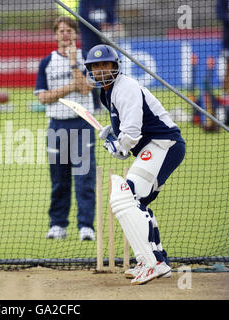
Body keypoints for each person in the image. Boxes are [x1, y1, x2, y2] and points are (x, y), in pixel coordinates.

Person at [84, 44, 186, 284]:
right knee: (138, 202)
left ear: (115, 66)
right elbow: (125, 136)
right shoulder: (107, 93)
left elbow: (131, 132)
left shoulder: (125, 86)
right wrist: (114, 137)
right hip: (154, 147)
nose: (100, 71)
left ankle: (153, 263)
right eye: (96, 66)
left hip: (163, 144)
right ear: (90, 70)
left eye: (105, 65)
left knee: (125, 197)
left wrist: (118, 144)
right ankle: (156, 260)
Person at [34, 16, 96, 241]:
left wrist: (73, 64)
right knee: (59, 178)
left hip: (82, 124)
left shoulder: (86, 58)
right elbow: (43, 98)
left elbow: (86, 89)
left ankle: (86, 226)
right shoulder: (46, 63)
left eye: (69, 30)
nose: (65, 34)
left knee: (84, 177)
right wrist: (71, 86)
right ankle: (58, 225)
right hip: (57, 126)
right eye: (60, 30)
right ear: (55, 35)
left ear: (75, 34)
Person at [79, 0, 125, 113]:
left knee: (111, 71)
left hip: (106, 39)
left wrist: (114, 23)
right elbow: (82, 16)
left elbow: (112, 13)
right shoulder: (85, 2)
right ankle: (96, 105)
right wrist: (98, 25)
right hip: (90, 39)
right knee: (91, 73)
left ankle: (113, 102)